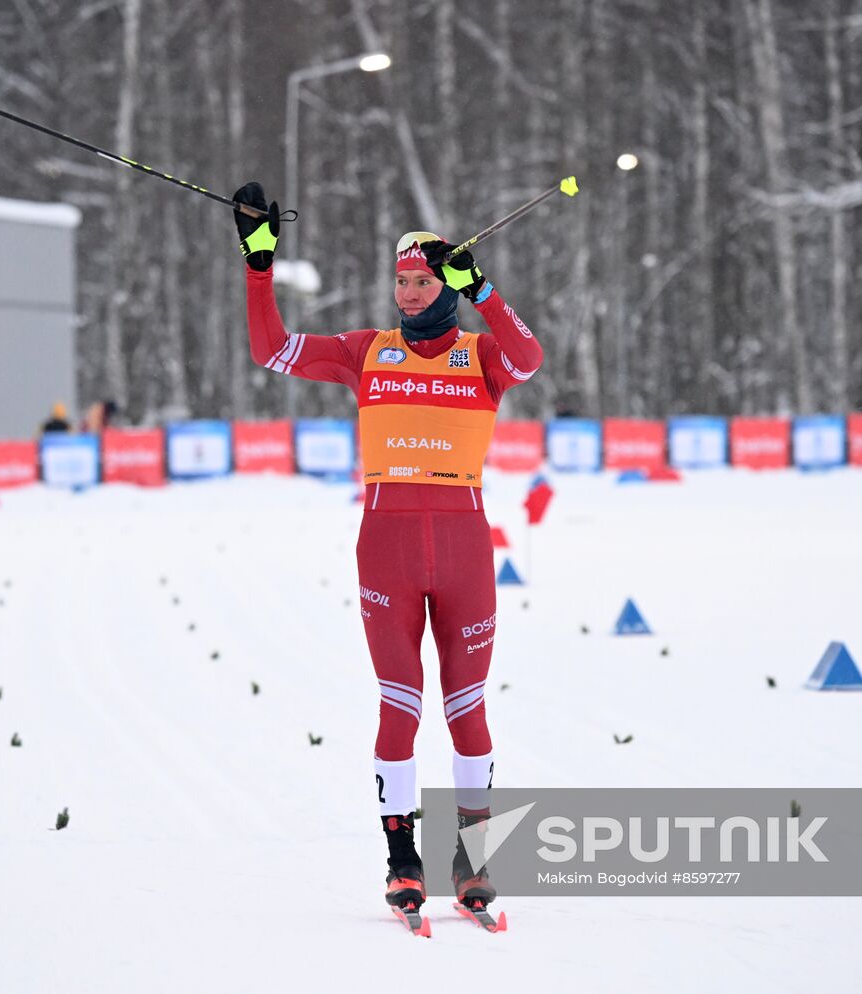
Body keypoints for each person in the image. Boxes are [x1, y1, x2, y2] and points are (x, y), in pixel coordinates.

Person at [233, 182, 544, 917]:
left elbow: (530, 358)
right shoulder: (364, 351)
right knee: (399, 706)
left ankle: (473, 860)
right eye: (400, 280)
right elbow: (271, 350)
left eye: (420, 280)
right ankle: (403, 860)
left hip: (465, 550)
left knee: (466, 709)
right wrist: (258, 264)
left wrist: (487, 292)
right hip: (388, 550)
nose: (406, 292)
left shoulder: (482, 355)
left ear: (448, 285)